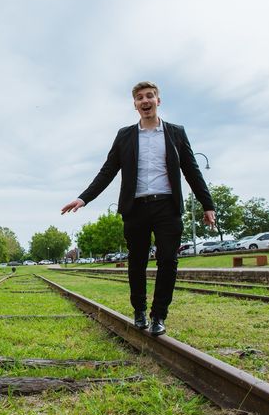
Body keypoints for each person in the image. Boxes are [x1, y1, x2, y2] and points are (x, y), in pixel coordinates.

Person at [61, 81, 215, 336]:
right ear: (135, 104)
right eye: (140, 98)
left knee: (168, 260)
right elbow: (108, 171)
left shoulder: (176, 133)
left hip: (167, 205)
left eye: (150, 96)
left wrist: (207, 204)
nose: (145, 101)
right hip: (136, 208)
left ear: (158, 101)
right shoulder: (125, 136)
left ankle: (159, 316)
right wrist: (84, 198)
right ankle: (140, 310)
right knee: (137, 262)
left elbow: (191, 170)